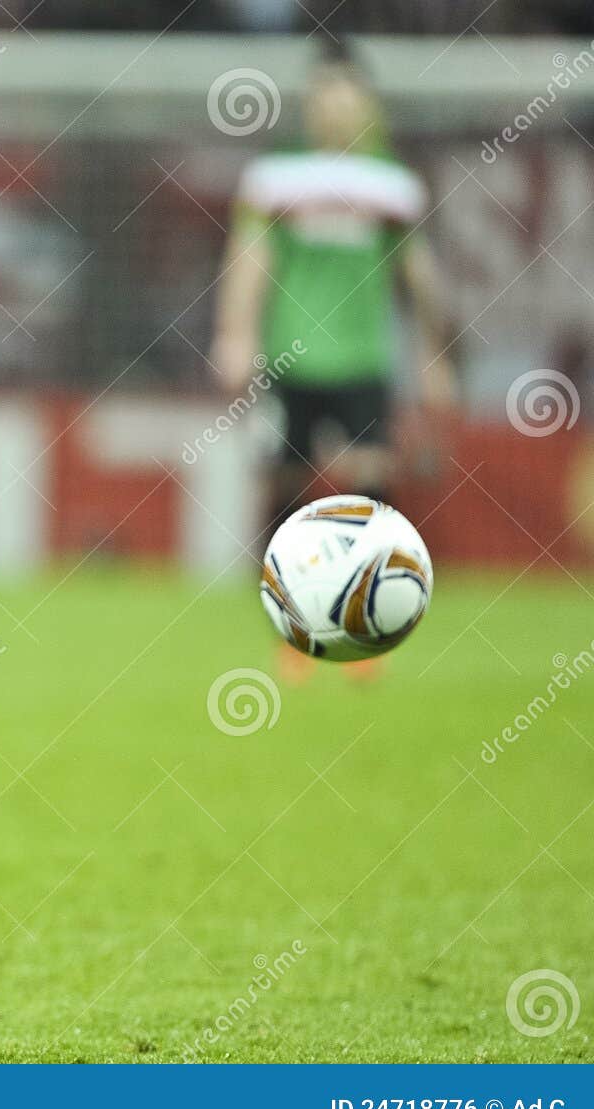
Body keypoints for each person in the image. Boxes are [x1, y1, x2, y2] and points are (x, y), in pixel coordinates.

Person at [209, 53, 455, 679]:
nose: (335, 106)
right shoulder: (276, 177)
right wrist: (233, 334)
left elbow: (417, 275)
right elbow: (250, 257)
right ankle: (290, 632)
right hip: (291, 357)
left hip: (364, 359)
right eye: (325, 94)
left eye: (346, 94)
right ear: (310, 104)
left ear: (366, 105)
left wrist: (435, 356)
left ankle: (366, 632)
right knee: (285, 489)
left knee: (371, 487)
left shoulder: (392, 184)